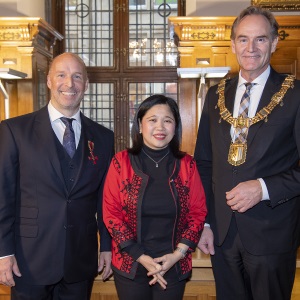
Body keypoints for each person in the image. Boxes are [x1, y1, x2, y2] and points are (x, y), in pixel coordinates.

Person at [194, 5, 300, 300]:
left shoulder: (296, 95)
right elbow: (203, 163)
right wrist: (203, 222)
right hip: (222, 235)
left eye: (260, 39)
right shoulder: (216, 95)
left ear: (275, 42)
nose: (250, 48)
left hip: (272, 233)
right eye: (243, 39)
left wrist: (263, 188)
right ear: (232, 44)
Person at [0, 52, 114, 300]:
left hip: (80, 260)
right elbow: (3, 197)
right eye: (61, 75)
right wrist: (2, 252)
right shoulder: (14, 131)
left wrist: (107, 246)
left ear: (86, 84)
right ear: (49, 81)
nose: (69, 84)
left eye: (77, 77)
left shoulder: (104, 138)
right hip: (28, 259)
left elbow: (105, 201)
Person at [103, 94, 207, 300]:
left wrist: (178, 255)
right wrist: (141, 257)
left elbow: (198, 212)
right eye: (152, 120)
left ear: (175, 128)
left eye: (167, 121)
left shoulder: (188, 164)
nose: (160, 127)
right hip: (130, 263)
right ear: (140, 126)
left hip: (174, 264)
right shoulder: (120, 162)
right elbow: (111, 214)